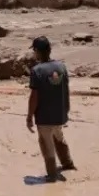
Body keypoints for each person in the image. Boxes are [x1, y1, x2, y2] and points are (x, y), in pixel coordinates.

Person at [26, 36, 76, 183]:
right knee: (59, 137)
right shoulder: (61, 67)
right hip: (59, 114)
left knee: (46, 144)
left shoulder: (37, 71)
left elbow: (34, 96)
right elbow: (65, 90)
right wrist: (66, 110)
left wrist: (29, 116)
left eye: (34, 51)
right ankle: (68, 164)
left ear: (37, 51)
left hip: (44, 117)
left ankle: (52, 176)